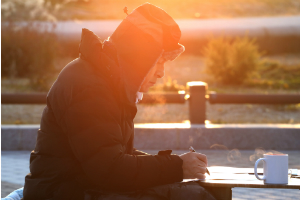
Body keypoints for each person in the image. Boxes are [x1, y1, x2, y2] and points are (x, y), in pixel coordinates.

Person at [23, 3, 216, 200]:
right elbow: (110, 170)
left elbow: (115, 157)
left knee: (196, 193)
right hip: (62, 192)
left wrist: (175, 164)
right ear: (137, 57)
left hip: (84, 185)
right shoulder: (90, 86)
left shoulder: (110, 81)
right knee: (194, 197)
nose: (161, 73)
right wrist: (177, 166)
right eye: (157, 61)